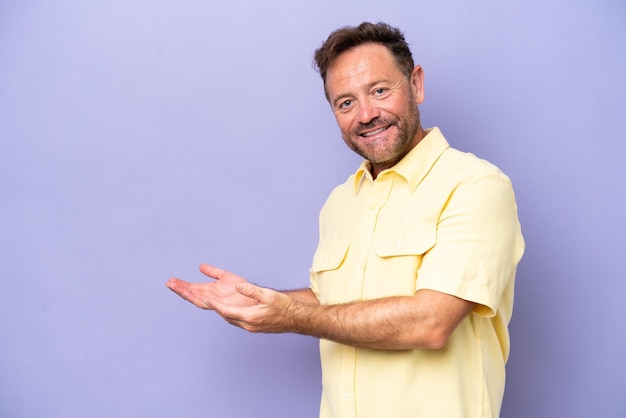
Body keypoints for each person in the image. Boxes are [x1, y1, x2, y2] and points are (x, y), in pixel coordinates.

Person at [167, 21, 524, 418]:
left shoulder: (476, 185)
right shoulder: (340, 201)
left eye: (380, 91)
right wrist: (263, 301)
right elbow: (333, 301)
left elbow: (432, 322)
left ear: (416, 84)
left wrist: (290, 317)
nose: (367, 114)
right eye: (346, 102)